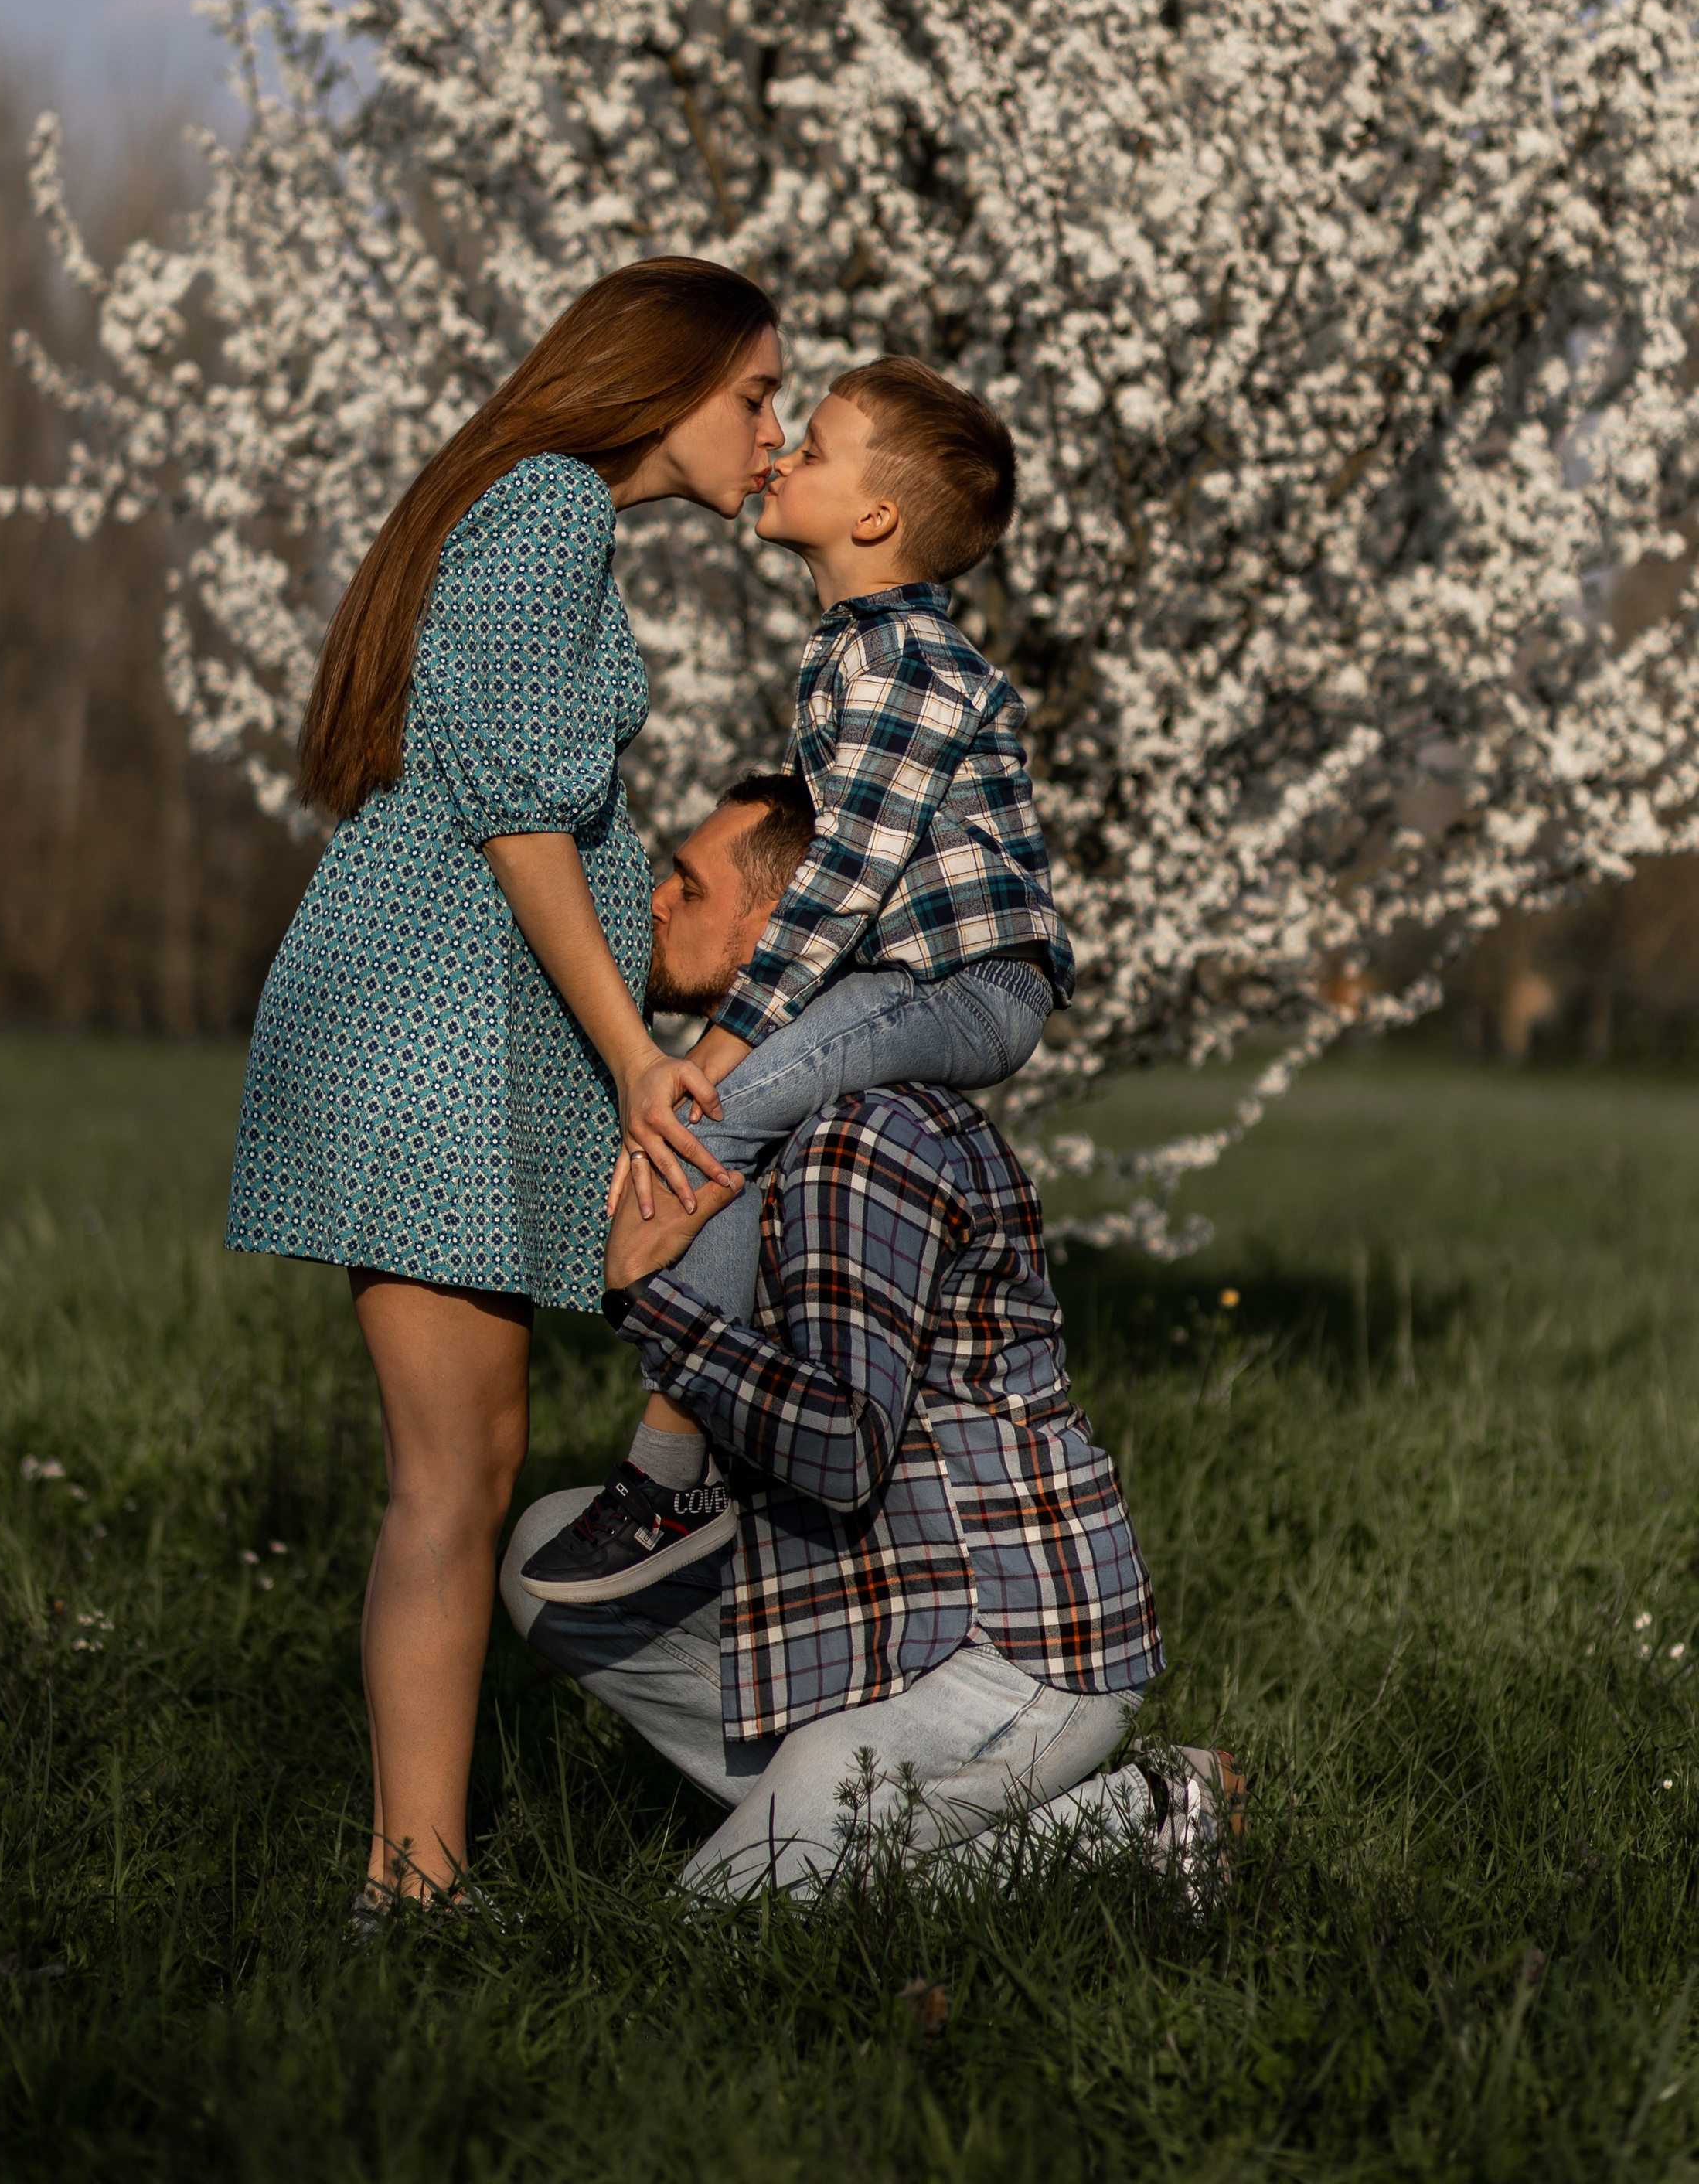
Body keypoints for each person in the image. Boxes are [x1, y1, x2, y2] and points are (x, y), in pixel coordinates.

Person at [225, 258, 784, 1906]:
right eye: (753, 396)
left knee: (462, 1470)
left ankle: (420, 1872)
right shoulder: (547, 508)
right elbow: (520, 826)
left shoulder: (537, 512)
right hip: (434, 1028)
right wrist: (633, 1059)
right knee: (450, 1481)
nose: (769, 431)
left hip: (445, 1021)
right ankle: (410, 1884)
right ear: (662, 380)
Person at [502, 775, 1242, 1900]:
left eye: (691, 885)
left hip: (1006, 1651)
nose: (656, 900)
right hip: (873, 1607)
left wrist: (656, 1306)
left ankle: (1128, 1819)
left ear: (786, 932)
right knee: (544, 1560)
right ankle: (839, 1834)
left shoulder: (865, 1140)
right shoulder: (768, 1139)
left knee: (710, 1937)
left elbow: (842, 1446)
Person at [520, 356, 1075, 1604]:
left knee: (703, 1117)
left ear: (876, 519)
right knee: (717, 1152)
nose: (778, 455)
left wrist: (709, 1059)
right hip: (912, 978)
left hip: (967, 983)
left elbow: (837, 892)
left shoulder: (907, 663)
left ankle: (673, 1462)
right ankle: (691, 1441)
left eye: (812, 449)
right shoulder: (853, 650)